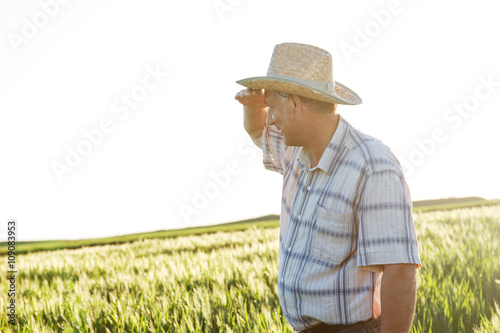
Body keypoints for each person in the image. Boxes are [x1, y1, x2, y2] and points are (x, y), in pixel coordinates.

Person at [234, 42, 421, 333]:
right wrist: (253, 106)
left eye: (273, 109)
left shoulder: (372, 165)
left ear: (295, 103)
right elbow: (258, 131)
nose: (271, 119)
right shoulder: (295, 152)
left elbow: (401, 270)